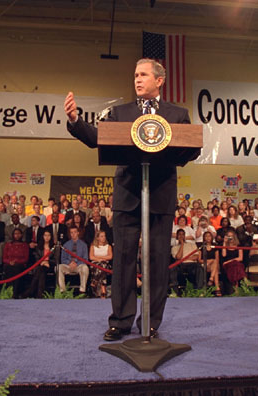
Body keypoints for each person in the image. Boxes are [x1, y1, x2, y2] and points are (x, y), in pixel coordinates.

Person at [65, 58, 200, 341]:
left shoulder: (177, 114)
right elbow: (97, 137)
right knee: (124, 261)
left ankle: (150, 322)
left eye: (143, 75)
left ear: (159, 80)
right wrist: (76, 121)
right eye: (135, 75)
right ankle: (121, 321)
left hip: (160, 195)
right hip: (128, 196)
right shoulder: (120, 112)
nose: (137, 79)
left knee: (158, 262)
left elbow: (190, 148)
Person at [23, 230, 54, 299]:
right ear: (43, 236)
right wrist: (42, 262)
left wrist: (48, 262)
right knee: (41, 270)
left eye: (48, 235)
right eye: (45, 235)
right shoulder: (39, 247)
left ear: (51, 237)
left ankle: (31, 290)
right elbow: (37, 257)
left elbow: (56, 259)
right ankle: (40, 294)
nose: (47, 237)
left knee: (41, 270)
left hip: (50, 266)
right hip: (40, 265)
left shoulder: (54, 247)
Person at [58, 226, 89, 295]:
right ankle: (62, 291)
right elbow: (63, 259)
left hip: (79, 266)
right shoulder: (65, 245)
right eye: (71, 233)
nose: (73, 234)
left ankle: (82, 290)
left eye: (75, 232)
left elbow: (85, 259)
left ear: (78, 233)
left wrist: (76, 263)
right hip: (68, 265)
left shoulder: (84, 245)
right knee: (58, 268)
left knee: (85, 268)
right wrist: (69, 263)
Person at [170, 229, 202, 295]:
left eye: (183, 234)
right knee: (173, 269)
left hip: (192, 264)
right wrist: (182, 245)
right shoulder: (174, 247)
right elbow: (178, 257)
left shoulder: (192, 245)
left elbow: (196, 257)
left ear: (185, 236)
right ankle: (175, 292)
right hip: (181, 265)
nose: (181, 236)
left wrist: (184, 258)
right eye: (179, 234)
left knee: (199, 267)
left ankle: (199, 291)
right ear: (177, 237)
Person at [2, 228, 29, 299]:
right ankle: (8, 291)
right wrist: (9, 262)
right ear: (13, 235)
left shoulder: (24, 245)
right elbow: (4, 258)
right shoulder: (8, 245)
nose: (17, 235)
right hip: (9, 264)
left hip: (20, 265)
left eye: (19, 234)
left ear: (22, 235)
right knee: (9, 267)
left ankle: (15, 292)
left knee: (16, 268)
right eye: (15, 234)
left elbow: (25, 259)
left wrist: (16, 261)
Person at [89, 230, 113, 298]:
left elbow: (110, 256)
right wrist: (100, 259)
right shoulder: (93, 246)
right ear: (97, 238)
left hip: (105, 264)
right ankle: (103, 289)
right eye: (102, 236)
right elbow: (91, 257)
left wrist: (100, 258)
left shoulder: (108, 246)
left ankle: (95, 281)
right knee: (100, 266)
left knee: (103, 266)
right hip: (95, 264)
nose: (104, 238)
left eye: (104, 236)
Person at [200, 231, 221, 296]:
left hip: (214, 265)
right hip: (205, 264)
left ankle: (211, 279)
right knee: (215, 270)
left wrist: (212, 261)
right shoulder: (201, 247)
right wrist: (208, 261)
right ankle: (217, 288)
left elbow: (217, 259)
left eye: (209, 236)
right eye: (206, 236)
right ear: (204, 238)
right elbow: (199, 260)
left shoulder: (215, 246)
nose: (208, 237)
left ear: (212, 237)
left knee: (215, 263)